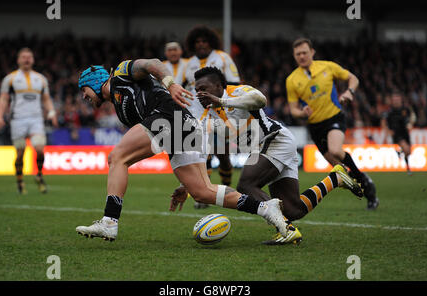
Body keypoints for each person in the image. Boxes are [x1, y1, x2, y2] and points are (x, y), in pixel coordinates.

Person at [75, 59, 294, 242]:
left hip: (169, 116)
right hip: (182, 124)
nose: (84, 97)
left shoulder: (121, 74)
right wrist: (183, 184)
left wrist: (170, 84)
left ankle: (109, 221)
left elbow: (153, 64)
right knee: (202, 192)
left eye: (84, 90)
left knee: (117, 157)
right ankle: (266, 208)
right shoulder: (120, 108)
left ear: (94, 82)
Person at [170, 67, 363, 245]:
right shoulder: (206, 115)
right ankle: (335, 178)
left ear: (219, 86)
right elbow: (203, 151)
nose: (199, 93)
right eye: (197, 89)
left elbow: (260, 100)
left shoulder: (236, 92)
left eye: (204, 88)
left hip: (275, 140)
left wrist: (221, 100)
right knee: (293, 209)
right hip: (264, 150)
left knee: (246, 185)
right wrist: (186, 185)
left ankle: (286, 230)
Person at [286, 38, 379, 210]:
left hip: (334, 117)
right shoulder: (292, 80)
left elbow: (353, 78)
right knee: (340, 170)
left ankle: (366, 183)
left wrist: (349, 92)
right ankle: (367, 187)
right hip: (315, 126)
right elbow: (293, 109)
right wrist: (302, 112)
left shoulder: (327, 67)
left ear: (312, 52)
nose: (302, 56)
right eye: (298, 54)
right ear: (294, 56)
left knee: (336, 150)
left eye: (305, 52)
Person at [184, 25, 240, 209]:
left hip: (220, 110)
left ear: (211, 42)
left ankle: (227, 187)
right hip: (197, 113)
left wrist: (223, 102)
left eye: (204, 41)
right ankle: (204, 194)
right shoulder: (189, 63)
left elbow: (233, 82)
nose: (201, 45)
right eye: (197, 42)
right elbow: (184, 86)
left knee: (222, 153)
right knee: (202, 151)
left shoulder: (222, 57)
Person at [0, 47, 58, 194]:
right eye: (23, 57)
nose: (27, 59)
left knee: (40, 150)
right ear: (18, 60)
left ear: (33, 60)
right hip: (18, 119)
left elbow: (46, 99)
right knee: (20, 152)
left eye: (29, 57)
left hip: (36, 118)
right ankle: (20, 181)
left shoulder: (41, 79)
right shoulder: (10, 79)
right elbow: (3, 99)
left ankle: (39, 175)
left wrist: (52, 112)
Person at [381, 90, 416, 175]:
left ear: (400, 100)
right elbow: (383, 122)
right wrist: (388, 131)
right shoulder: (389, 112)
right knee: (406, 148)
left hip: (405, 132)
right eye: (394, 100)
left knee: (409, 152)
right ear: (392, 101)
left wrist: (411, 123)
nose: (396, 101)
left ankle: (407, 167)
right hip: (397, 134)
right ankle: (402, 154)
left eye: (397, 99)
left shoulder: (406, 109)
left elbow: (412, 116)